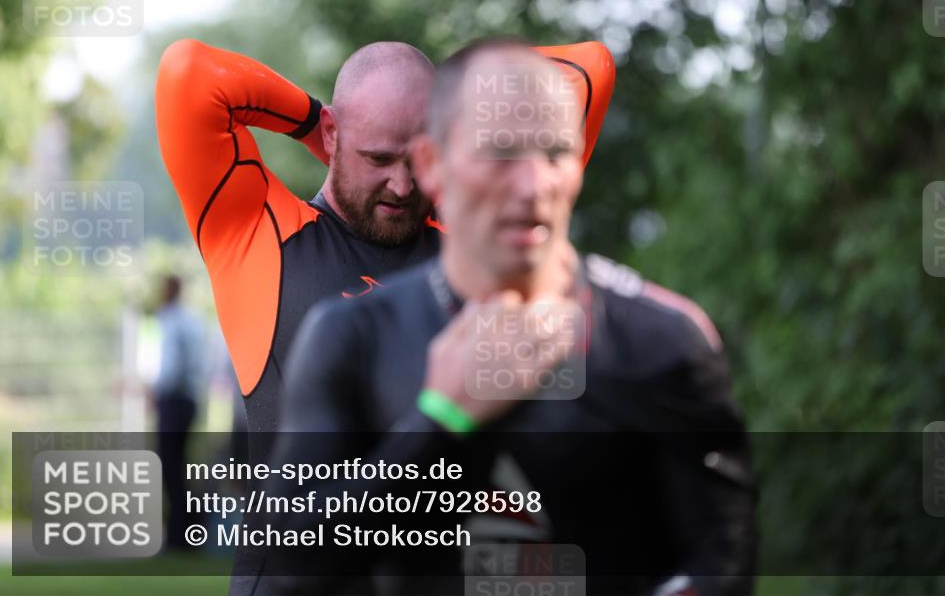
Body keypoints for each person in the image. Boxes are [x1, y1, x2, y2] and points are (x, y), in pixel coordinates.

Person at [269, 40, 756, 595]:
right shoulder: (352, 336)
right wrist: (440, 423)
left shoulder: (660, 340)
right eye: (499, 152)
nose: (533, 185)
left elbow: (722, 566)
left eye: (554, 152)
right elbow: (292, 569)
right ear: (432, 165)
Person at [155, 38, 615, 433]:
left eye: (418, 161)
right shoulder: (261, 238)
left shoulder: (471, 238)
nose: (402, 186)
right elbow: (189, 71)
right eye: (378, 159)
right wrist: (313, 126)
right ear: (334, 133)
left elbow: (590, 68)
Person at [152, 274, 207, 551]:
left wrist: (154, 391)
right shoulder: (193, 320)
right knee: (181, 466)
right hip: (191, 400)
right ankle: (186, 530)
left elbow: (170, 368)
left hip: (173, 400)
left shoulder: (170, 321)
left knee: (171, 468)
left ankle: (178, 535)